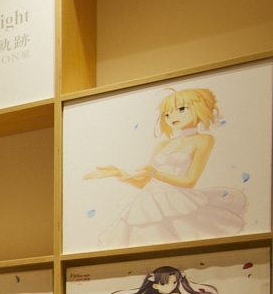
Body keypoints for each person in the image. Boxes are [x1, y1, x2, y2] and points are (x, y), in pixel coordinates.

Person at [86, 86, 249, 247]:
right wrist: (117, 172)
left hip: (178, 202)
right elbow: (143, 182)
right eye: (167, 113)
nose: (172, 117)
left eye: (181, 109)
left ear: (199, 108)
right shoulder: (162, 145)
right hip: (148, 202)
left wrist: (156, 173)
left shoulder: (203, 140)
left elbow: (190, 181)